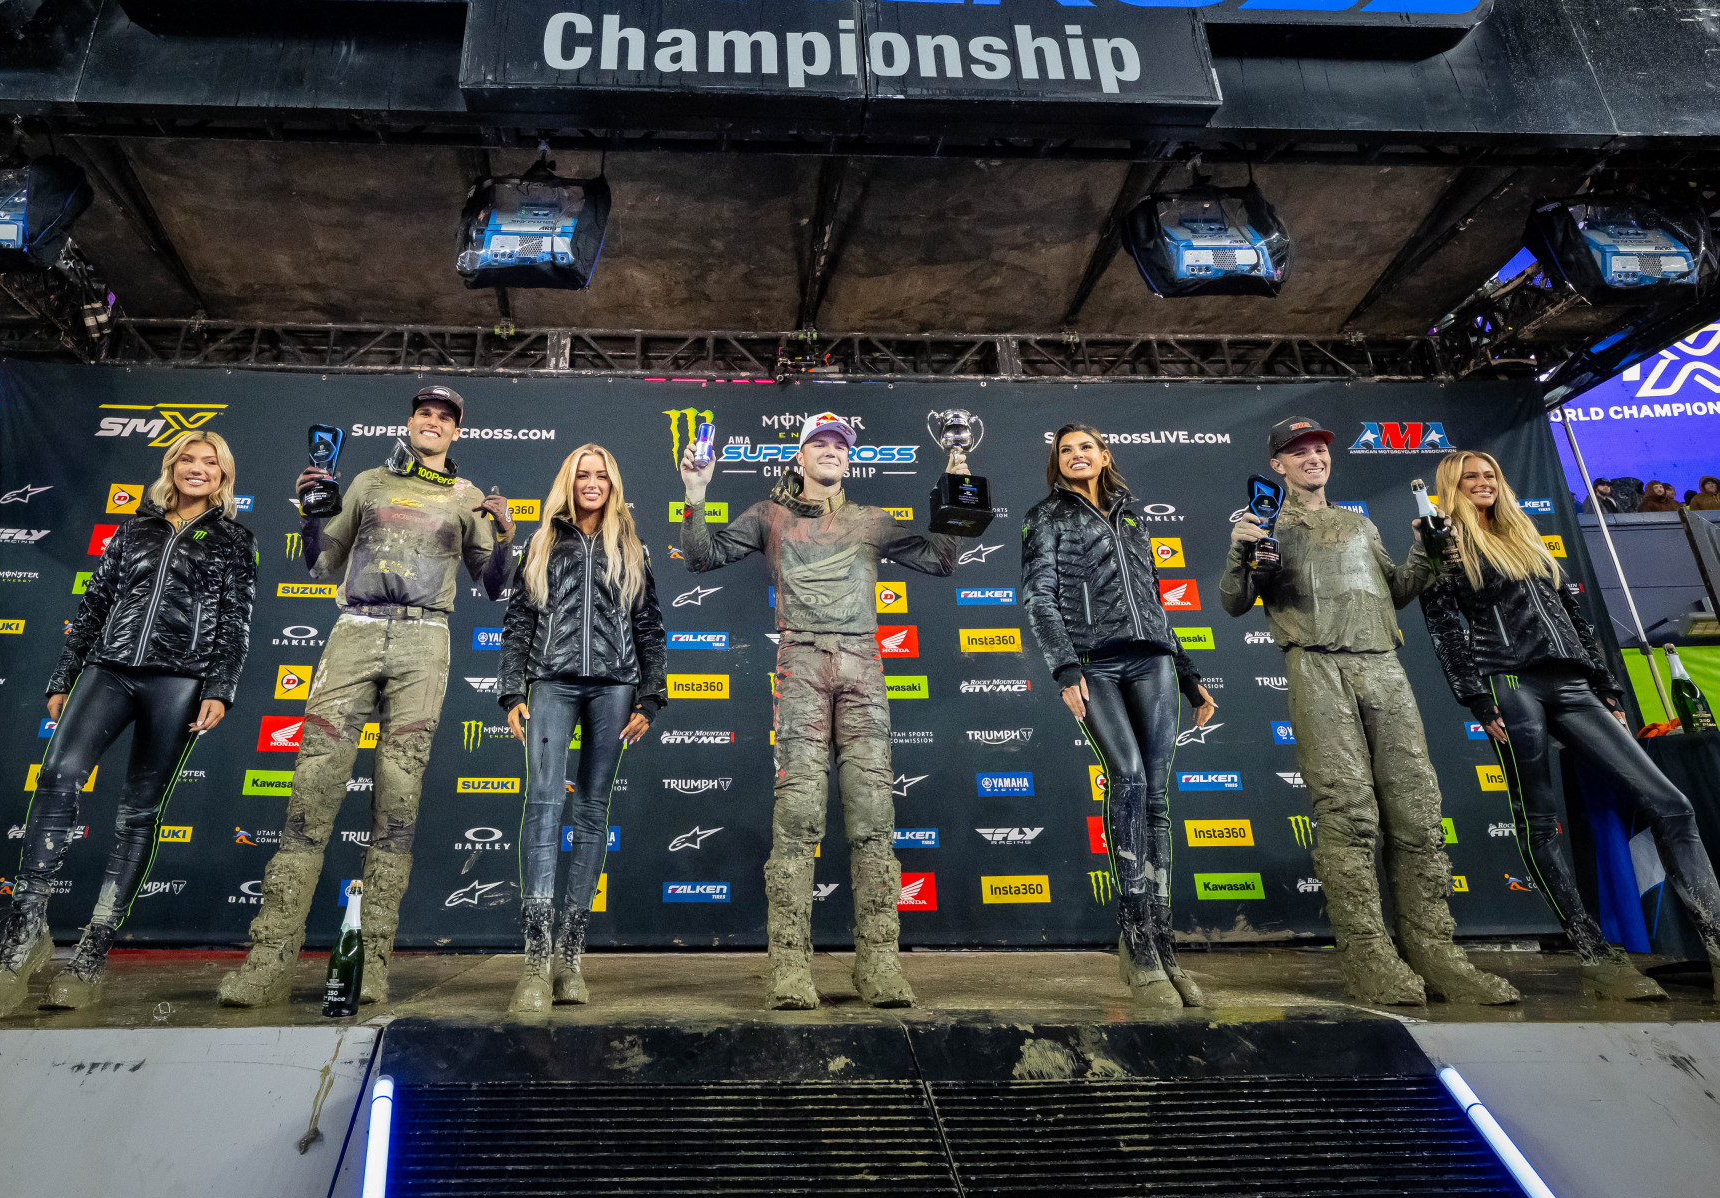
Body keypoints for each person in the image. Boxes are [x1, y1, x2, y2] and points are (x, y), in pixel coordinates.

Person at [1419, 450, 1720, 1010]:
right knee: (1541, 820)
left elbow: (1572, 617)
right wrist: (1475, 697)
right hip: (1507, 684)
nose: (1483, 483)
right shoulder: (1444, 545)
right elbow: (1445, 626)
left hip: (1572, 684)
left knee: (1672, 805)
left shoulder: (1525, 537)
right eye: (1470, 477)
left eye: (1490, 474)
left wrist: (1608, 687)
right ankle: (1595, 956)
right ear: (1452, 485)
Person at [220, 386, 514, 1008]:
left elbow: (493, 586)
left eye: (445, 418)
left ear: (457, 432)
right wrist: (309, 513)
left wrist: (505, 538)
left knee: (399, 798)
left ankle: (370, 961)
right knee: (312, 787)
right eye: (425, 413)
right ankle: (269, 959)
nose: (433, 423)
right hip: (354, 630)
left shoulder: (467, 499)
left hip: (426, 639)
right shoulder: (367, 481)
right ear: (409, 422)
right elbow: (321, 561)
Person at [1218, 417, 1517, 1006]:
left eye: (1319, 451)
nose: (1313, 459)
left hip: (1383, 665)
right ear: (1277, 465)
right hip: (1317, 666)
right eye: (1297, 452)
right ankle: (1368, 956)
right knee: (1348, 810)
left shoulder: (1358, 521)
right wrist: (1244, 552)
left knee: (1416, 809)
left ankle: (1435, 951)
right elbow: (1233, 602)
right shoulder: (1264, 524)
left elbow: (1397, 589)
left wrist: (1429, 553)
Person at [680, 411, 961, 1010]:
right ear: (800, 458)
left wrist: (958, 470)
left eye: (841, 445)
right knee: (799, 819)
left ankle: (879, 965)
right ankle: (788, 968)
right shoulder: (768, 516)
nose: (832, 450)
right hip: (801, 663)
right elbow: (699, 557)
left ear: (849, 460)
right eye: (820, 444)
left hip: (863, 664)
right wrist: (696, 492)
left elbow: (940, 560)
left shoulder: (869, 520)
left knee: (873, 817)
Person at [0, 428, 255, 1017]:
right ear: (171, 467)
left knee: (138, 811)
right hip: (109, 669)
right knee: (57, 779)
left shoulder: (234, 540)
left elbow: (236, 623)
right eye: (187, 460)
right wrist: (61, 677)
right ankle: (21, 942)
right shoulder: (132, 530)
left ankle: (91, 954)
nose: (196, 469)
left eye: (209, 463)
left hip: (180, 681)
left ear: (223, 476)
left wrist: (220, 690)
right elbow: (93, 606)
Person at [1022, 423, 1218, 1008]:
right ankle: (1136, 949)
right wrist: (1064, 669)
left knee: (1157, 794)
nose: (1078, 455)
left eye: (1088, 447)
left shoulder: (1133, 514)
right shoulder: (1045, 516)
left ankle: (1164, 950)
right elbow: (1039, 595)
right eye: (1066, 450)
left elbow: (1154, 595)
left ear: (1105, 455)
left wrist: (1190, 676)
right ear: (1057, 463)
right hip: (1093, 662)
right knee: (1128, 779)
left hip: (1153, 660)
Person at [498, 443, 665, 1013]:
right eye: (582, 476)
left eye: (600, 475)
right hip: (551, 683)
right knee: (542, 805)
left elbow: (649, 623)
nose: (591, 484)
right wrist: (510, 692)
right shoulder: (543, 541)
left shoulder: (631, 546)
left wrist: (651, 693)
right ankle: (535, 964)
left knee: (593, 812)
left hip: (616, 688)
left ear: (613, 483)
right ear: (568, 483)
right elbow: (519, 618)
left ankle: (571, 960)